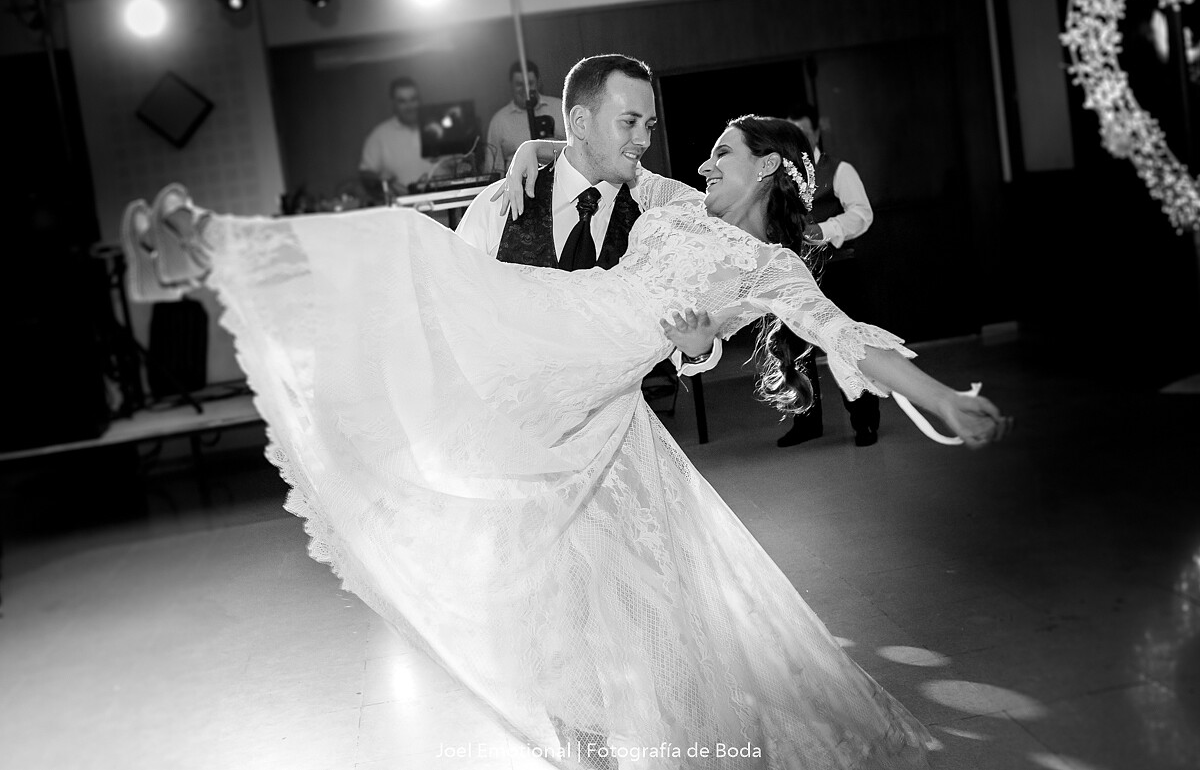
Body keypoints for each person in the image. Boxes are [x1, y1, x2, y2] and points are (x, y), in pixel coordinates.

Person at [124, 113, 1010, 769]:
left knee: (584, 567)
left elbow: (849, 339)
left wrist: (940, 397)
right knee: (406, 246)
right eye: (701, 152)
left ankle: (591, 745)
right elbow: (567, 148)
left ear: (767, 167)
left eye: (723, 153)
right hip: (557, 329)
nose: (700, 160)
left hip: (601, 391)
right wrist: (519, 156)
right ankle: (203, 247)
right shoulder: (669, 203)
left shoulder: (773, 269)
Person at [459, 54, 722, 376]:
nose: (643, 140)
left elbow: (679, 327)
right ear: (581, 122)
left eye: (649, 126)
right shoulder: (498, 205)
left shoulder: (651, 216)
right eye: (629, 122)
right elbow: (453, 309)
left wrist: (700, 351)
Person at [776, 102, 881, 448]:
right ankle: (806, 422)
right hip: (794, 278)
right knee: (794, 351)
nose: (800, 138)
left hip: (837, 273)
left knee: (846, 347)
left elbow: (862, 214)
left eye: (804, 130)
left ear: (816, 131)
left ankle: (865, 422)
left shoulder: (839, 170)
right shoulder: (778, 174)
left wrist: (826, 228)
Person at [483, 60, 567, 174]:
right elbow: (494, 169)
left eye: (530, 83)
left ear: (538, 83)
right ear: (511, 86)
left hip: (560, 180)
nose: (525, 90)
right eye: (519, 84)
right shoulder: (499, 121)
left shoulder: (559, 107)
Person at [358, 76, 435, 200]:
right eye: (402, 101)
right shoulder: (379, 135)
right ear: (393, 103)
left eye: (413, 99)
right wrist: (383, 182)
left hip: (446, 208)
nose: (409, 106)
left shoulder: (437, 127)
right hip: (401, 211)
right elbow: (365, 174)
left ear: (420, 100)